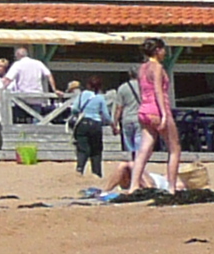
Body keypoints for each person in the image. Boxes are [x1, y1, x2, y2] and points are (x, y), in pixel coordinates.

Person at [116, 37, 180, 193]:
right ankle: (171, 187)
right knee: (174, 149)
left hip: (144, 110)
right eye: (163, 49)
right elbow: (158, 90)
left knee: (143, 150)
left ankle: (134, 185)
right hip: (157, 108)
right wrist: (164, 114)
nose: (165, 53)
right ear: (157, 50)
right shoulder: (156, 67)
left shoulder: (142, 68)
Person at [63, 77, 109, 181]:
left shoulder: (82, 95)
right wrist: (112, 124)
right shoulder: (100, 98)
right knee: (96, 150)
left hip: (82, 122)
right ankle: (96, 173)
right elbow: (105, 114)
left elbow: (74, 108)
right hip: (95, 124)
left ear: (88, 85)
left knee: (82, 148)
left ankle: (80, 169)